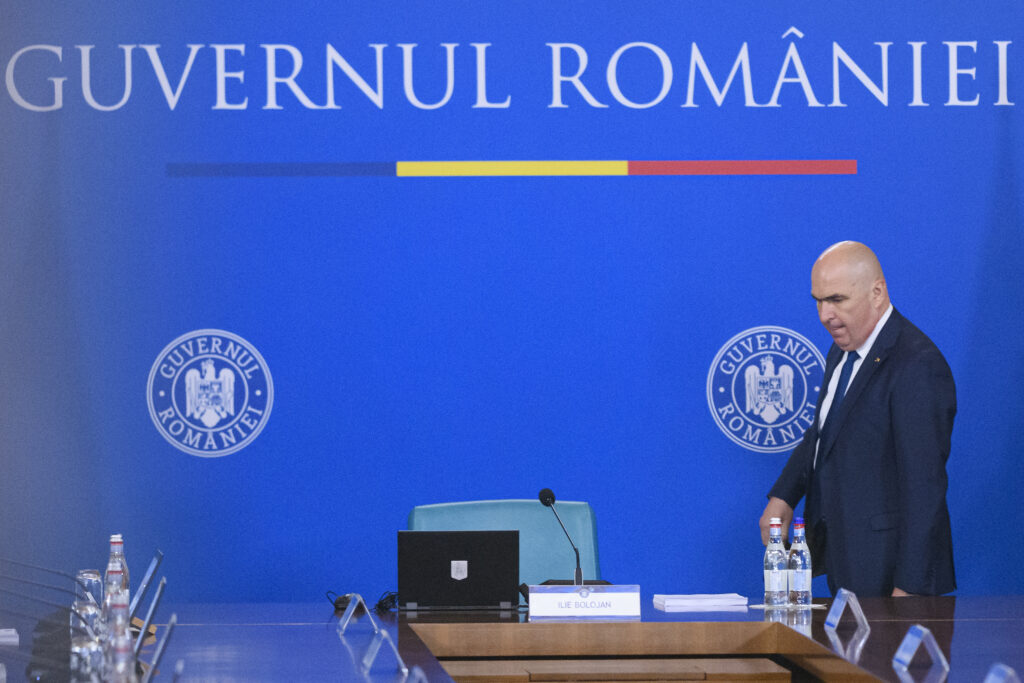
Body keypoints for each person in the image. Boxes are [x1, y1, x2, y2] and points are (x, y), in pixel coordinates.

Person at [760, 241, 956, 597]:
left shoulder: (917, 364)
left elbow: (925, 488)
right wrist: (784, 494)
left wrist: (909, 591)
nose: (825, 315)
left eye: (837, 299)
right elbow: (825, 431)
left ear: (877, 293)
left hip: (892, 576)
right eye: (818, 301)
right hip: (847, 560)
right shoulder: (842, 350)